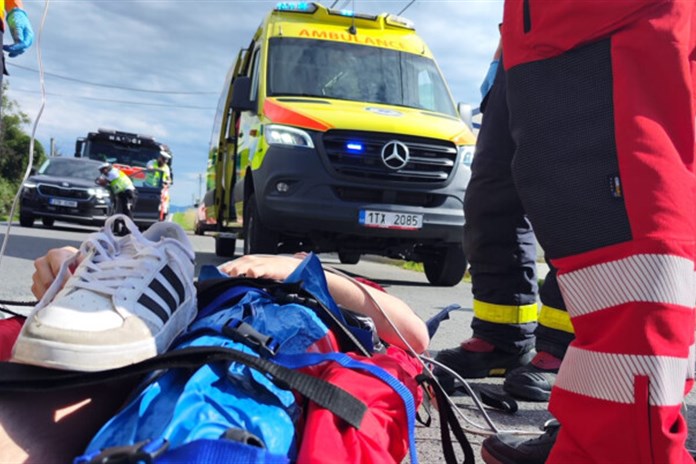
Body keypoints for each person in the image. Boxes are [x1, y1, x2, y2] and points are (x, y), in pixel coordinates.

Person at [481, 3, 696, 463]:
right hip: (570, 35)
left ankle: (619, 446)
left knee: (631, 256)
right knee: (608, 264)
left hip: (598, 31)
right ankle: (598, 437)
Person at [0, 247, 429, 462]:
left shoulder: (338, 292)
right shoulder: (198, 285)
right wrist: (68, 267)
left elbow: (413, 335)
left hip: (273, 354)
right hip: (182, 335)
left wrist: (304, 267)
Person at [435, 31, 573, 403]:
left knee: (572, 200)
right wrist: (500, 60)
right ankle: (502, 339)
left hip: (585, 48)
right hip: (519, 55)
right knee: (490, 199)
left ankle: (564, 348)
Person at [96, 162, 137, 234]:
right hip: (121, 194)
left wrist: (98, 181)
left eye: (103, 170)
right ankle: (118, 229)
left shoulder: (113, 173)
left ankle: (129, 230)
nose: (103, 173)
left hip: (128, 193)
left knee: (127, 212)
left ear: (107, 168)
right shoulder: (111, 173)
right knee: (119, 212)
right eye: (101, 171)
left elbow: (104, 182)